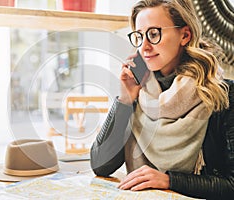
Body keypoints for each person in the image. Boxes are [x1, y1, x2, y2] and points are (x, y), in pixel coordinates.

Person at [90, 0, 234, 199]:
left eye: (154, 34)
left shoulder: (222, 94)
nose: (144, 47)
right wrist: (125, 100)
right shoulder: (139, 89)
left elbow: (231, 185)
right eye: (139, 36)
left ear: (185, 35)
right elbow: (100, 165)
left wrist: (168, 180)